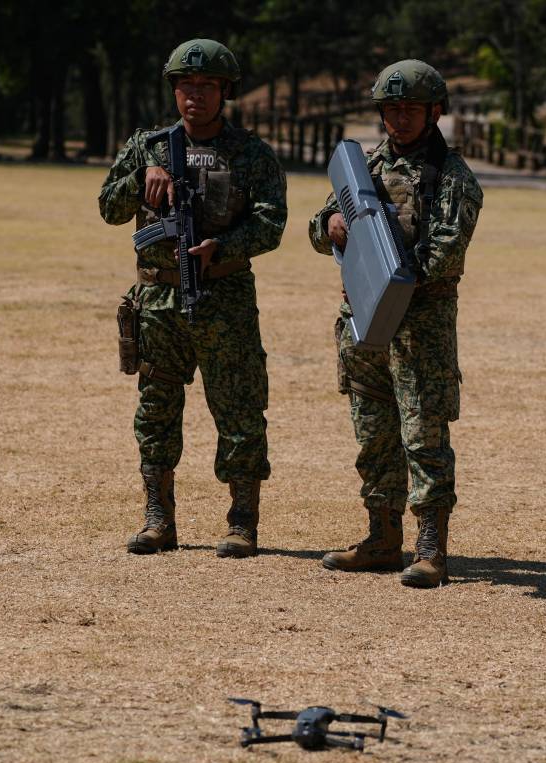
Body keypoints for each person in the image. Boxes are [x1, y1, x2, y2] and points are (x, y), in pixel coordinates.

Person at [99, 39, 286, 558]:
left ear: (225, 91)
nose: (194, 95)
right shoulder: (146, 147)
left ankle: (242, 521)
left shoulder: (251, 154)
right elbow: (109, 210)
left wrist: (222, 246)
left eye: (206, 86)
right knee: (156, 408)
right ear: (173, 89)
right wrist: (140, 179)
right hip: (158, 301)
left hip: (225, 297)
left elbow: (271, 224)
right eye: (185, 85)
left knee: (239, 408)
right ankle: (159, 518)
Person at [308, 60, 483, 588]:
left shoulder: (453, 179)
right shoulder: (364, 168)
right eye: (390, 108)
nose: (398, 118)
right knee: (373, 434)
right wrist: (332, 225)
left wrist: (383, 273)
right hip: (362, 328)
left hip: (420, 330)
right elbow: (318, 229)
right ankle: (382, 539)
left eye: (409, 109)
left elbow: (444, 256)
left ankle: (431, 549)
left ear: (434, 112)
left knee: (424, 436)